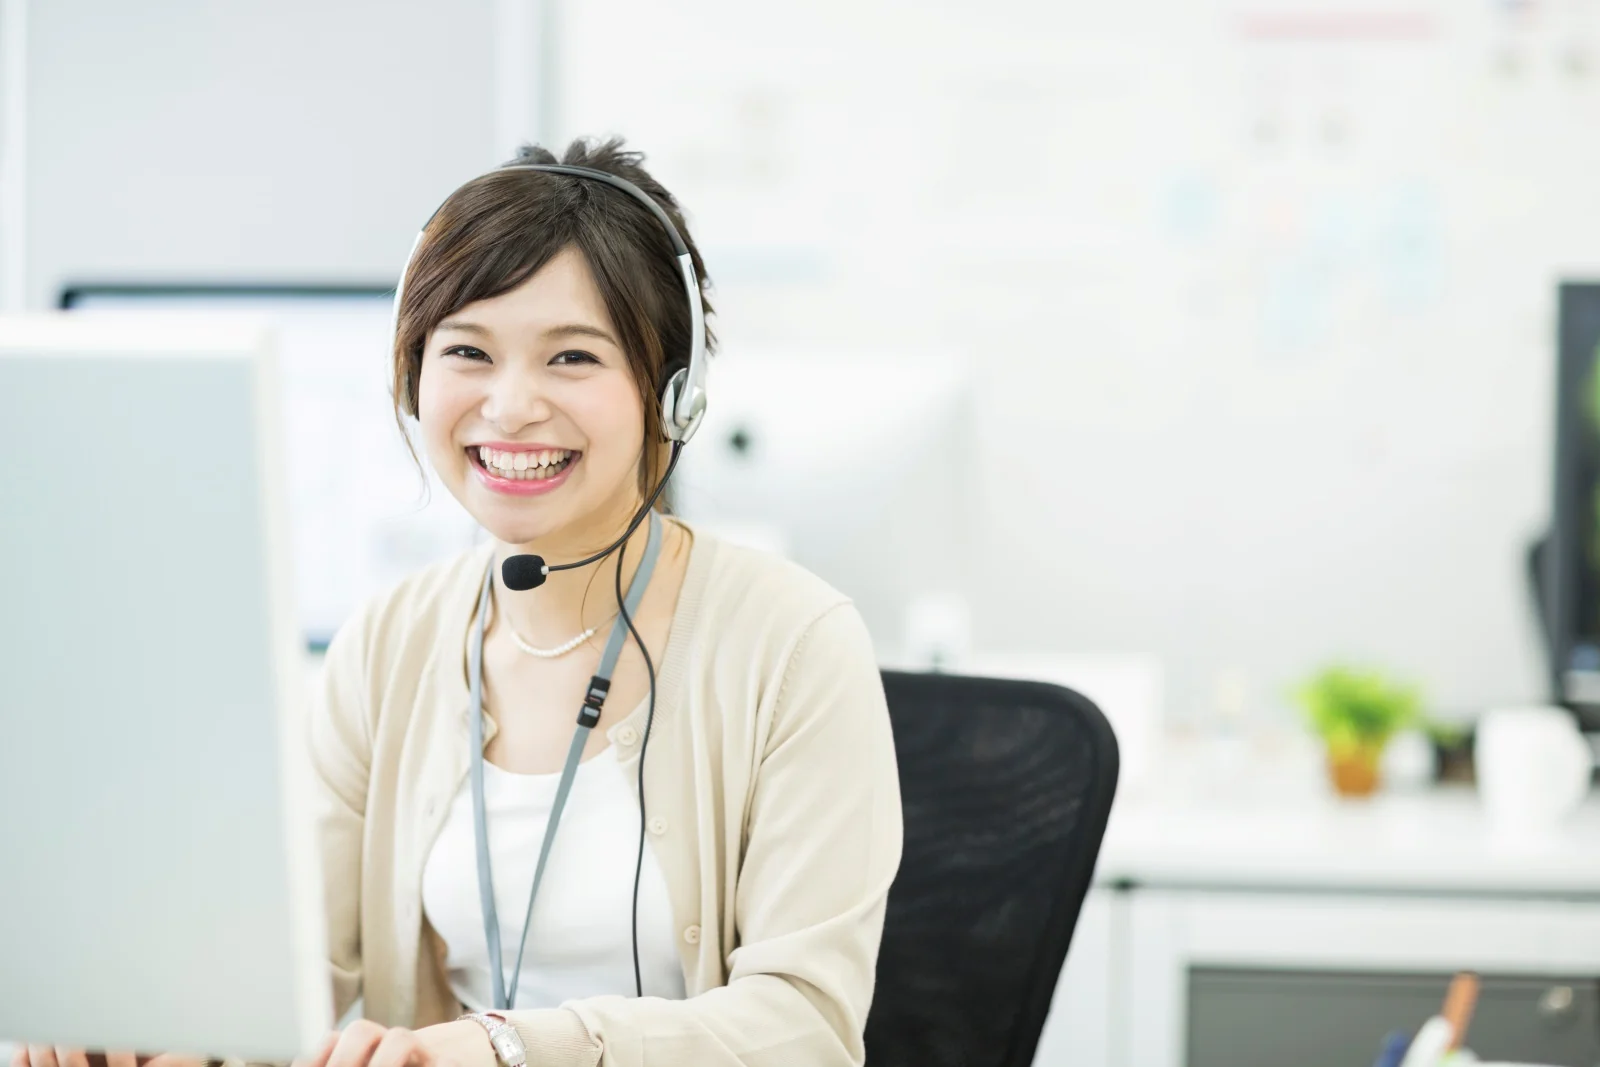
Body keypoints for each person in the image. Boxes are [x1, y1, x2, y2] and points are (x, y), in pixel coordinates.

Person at [12, 138, 902, 1067]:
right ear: (412, 381)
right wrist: (160, 1029)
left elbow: (804, 1027)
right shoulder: (390, 642)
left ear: (672, 393)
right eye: (467, 351)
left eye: (571, 357)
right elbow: (289, 968)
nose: (510, 406)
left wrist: (513, 1048)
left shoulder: (795, 644)